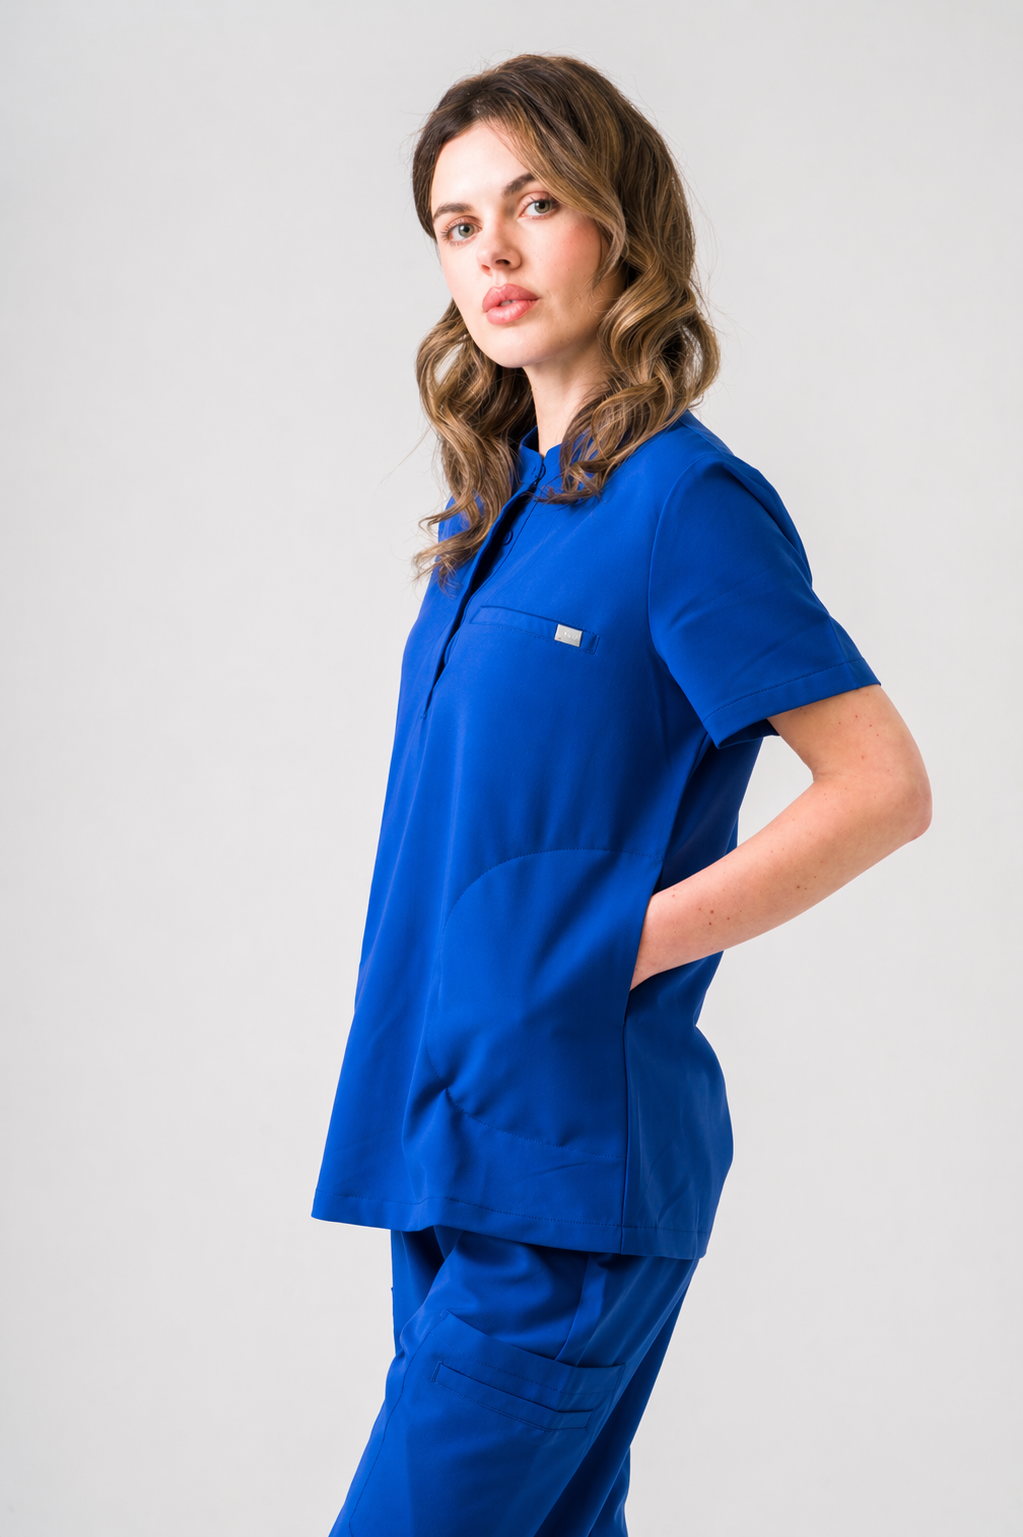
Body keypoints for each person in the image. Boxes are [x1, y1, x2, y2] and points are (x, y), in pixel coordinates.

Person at [312, 54, 931, 1537]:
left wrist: (612, 951)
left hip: (566, 1168)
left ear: (620, 221)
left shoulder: (681, 504)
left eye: (535, 204)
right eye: (458, 224)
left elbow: (881, 785)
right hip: (447, 1142)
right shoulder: (494, 518)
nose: (494, 252)